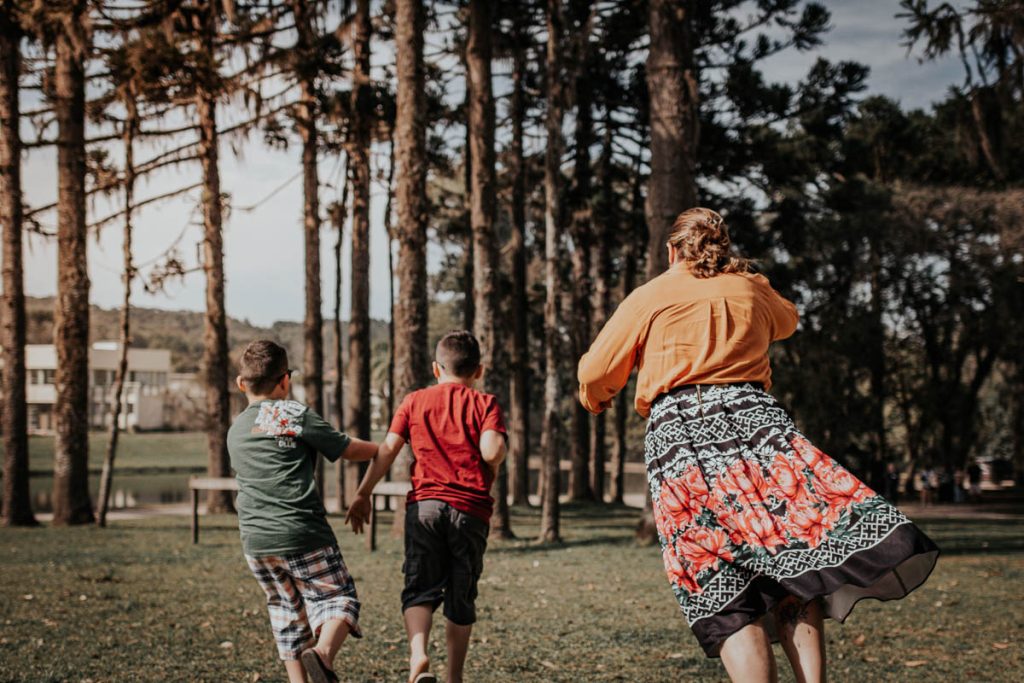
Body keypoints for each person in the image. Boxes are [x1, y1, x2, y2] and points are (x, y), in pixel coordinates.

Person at [577, 208, 939, 683]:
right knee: (788, 556)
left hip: (681, 441)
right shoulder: (751, 288)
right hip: (757, 427)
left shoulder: (650, 295)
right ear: (721, 246)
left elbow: (595, 372)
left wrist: (597, 398)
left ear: (671, 251)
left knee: (718, 580)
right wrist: (742, 286)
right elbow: (787, 321)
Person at [346, 330, 507, 683]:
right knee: (461, 594)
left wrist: (363, 493)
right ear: (478, 370)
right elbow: (492, 451)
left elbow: (387, 449)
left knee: (419, 588)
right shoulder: (485, 404)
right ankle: (454, 677)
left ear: (436, 368)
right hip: (470, 512)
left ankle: (418, 655)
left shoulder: (414, 401)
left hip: (425, 508)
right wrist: (498, 455)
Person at [227, 340, 378, 683]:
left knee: (286, 612)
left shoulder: (236, 429)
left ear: (241, 384)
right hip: (302, 531)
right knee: (338, 597)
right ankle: (322, 654)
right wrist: (382, 449)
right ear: (285, 380)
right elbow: (348, 449)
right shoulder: (292, 413)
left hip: (255, 541)